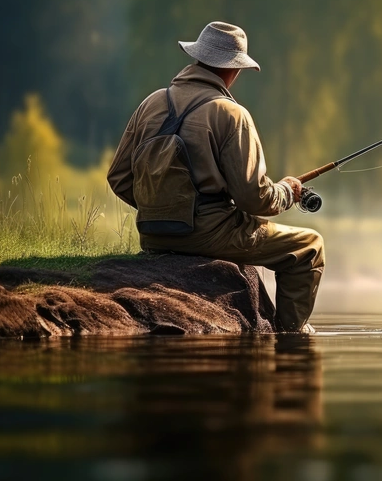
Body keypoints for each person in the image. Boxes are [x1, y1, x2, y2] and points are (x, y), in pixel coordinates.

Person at [107, 21, 323, 333]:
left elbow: (118, 177)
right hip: (207, 234)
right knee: (310, 247)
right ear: (233, 69)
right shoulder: (231, 114)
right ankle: (290, 334)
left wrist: (162, 207)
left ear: (198, 58)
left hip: (153, 234)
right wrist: (287, 192)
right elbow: (254, 199)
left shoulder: (150, 103)